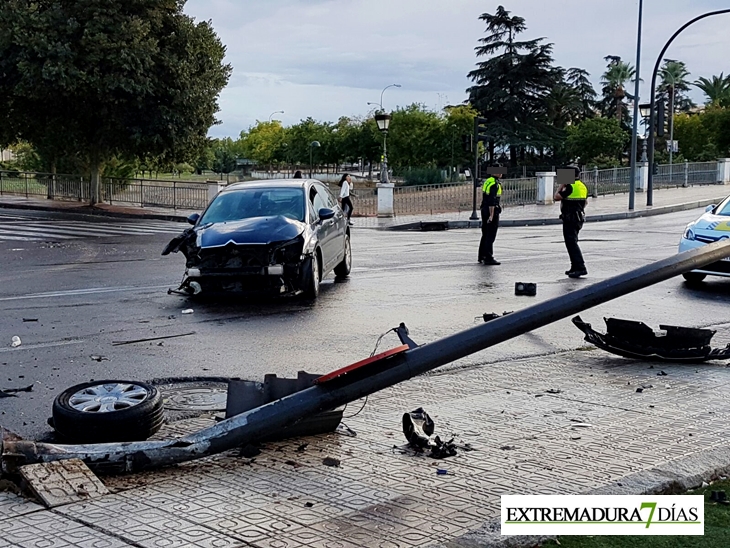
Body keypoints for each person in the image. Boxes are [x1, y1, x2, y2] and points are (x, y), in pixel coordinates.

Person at [554, 167, 588, 278]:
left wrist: (561, 185)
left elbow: (556, 197)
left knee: (571, 243)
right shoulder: (582, 186)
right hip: (579, 218)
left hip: (570, 218)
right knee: (572, 242)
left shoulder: (569, 187)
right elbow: (585, 202)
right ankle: (574, 267)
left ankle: (580, 267)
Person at [478, 170, 503, 265]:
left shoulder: (488, 181)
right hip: (491, 210)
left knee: (485, 234)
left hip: (484, 209)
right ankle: (488, 257)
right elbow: (492, 200)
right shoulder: (495, 184)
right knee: (490, 235)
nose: (501, 173)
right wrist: (491, 215)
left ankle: (481, 256)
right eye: (500, 171)